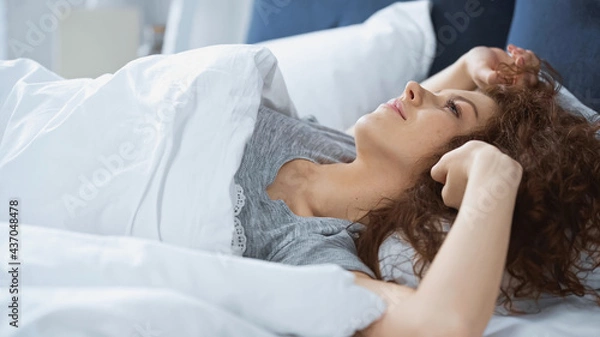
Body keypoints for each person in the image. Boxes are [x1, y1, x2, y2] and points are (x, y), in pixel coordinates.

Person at [232, 44, 600, 337]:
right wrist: (470, 64)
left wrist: (494, 176)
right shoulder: (329, 146)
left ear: (454, 165)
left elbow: (438, 325)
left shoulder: (311, 254)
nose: (414, 88)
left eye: (452, 107)